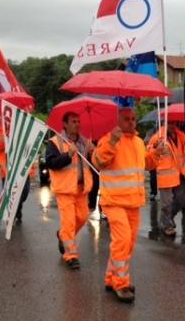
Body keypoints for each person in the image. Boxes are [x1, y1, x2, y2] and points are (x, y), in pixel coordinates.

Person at [92, 107, 164, 303]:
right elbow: (98, 161)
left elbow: (147, 164)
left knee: (127, 244)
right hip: (114, 201)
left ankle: (110, 277)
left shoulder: (140, 142)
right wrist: (113, 142)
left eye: (133, 119)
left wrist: (156, 153)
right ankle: (121, 284)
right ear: (117, 121)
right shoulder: (109, 139)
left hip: (133, 202)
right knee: (122, 241)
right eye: (126, 119)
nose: (131, 123)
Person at [45, 112, 94, 269]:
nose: (77, 124)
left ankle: (62, 235)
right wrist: (68, 154)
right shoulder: (55, 142)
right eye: (73, 121)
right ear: (64, 124)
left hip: (81, 188)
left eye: (79, 121)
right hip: (65, 190)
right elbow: (51, 163)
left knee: (83, 216)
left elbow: (92, 163)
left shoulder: (84, 141)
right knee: (69, 222)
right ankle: (71, 255)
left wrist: (93, 151)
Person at [147, 121, 185, 237]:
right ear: (164, 123)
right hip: (165, 176)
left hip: (180, 173)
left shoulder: (181, 137)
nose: (173, 126)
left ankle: (168, 217)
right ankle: (166, 225)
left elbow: (184, 154)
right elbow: (148, 155)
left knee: (182, 199)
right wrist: (155, 149)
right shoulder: (157, 137)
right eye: (170, 123)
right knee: (166, 203)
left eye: (175, 123)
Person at [0, 119, 32, 224]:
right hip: (7, 172)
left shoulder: (17, 130)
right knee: (13, 194)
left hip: (22, 169)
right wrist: (6, 137)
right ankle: (13, 214)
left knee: (24, 192)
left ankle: (17, 207)